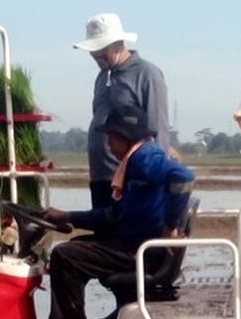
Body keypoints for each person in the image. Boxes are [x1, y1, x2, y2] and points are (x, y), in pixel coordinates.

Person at [41, 104, 194, 319]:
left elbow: (183, 177)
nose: (109, 144)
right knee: (74, 249)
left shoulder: (144, 158)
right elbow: (113, 216)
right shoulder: (136, 160)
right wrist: (67, 216)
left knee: (65, 256)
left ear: (125, 137)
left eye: (111, 137)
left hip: (142, 250)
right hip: (134, 242)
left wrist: (171, 227)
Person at [74, 13, 175, 209]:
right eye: (94, 52)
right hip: (101, 175)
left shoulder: (147, 74)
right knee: (103, 232)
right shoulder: (102, 77)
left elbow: (159, 128)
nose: (97, 57)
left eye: (102, 51)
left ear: (119, 43)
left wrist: (154, 178)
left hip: (131, 180)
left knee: (127, 235)